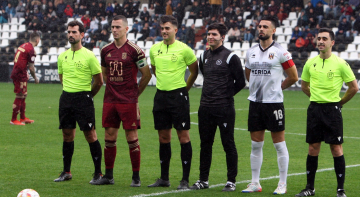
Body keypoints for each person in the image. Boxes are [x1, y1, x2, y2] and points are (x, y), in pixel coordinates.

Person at [295, 28, 358, 197]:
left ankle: (340, 190)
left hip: (332, 111)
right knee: (313, 148)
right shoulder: (310, 62)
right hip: (314, 109)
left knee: (336, 149)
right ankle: (310, 188)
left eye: (324, 39)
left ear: (332, 42)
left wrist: (339, 103)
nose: (321, 41)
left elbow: (354, 87)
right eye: (319, 38)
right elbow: (304, 86)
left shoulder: (340, 63)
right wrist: (316, 98)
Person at [91, 15, 151, 186]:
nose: (115, 30)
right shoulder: (105, 50)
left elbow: (146, 75)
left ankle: (136, 177)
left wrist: (135, 95)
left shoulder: (135, 50)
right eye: (113, 27)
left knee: (131, 137)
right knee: (109, 137)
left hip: (128, 101)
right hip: (110, 99)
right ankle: (108, 176)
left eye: (118, 27)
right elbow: (104, 72)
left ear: (126, 29)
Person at [242, 15, 298, 194]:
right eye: (259, 26)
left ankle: (282, 183)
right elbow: (248, 73)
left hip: (273, 104)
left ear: (273, 31)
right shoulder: (251, 51)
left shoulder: (282, 52)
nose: (261, 29)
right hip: (255, 104)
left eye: (265, 27)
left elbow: (293, 77)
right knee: (255, 144)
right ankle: (255, 182)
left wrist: (278, 88)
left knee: (279, 144)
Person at [189, 23, 246, 192]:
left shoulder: (231, 57)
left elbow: (241, 82)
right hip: (205, 107)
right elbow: (207, 77)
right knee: (205, 144)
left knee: (228, 143)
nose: (210, 37)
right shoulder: (203, 56)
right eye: (208, 34)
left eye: (214, 34)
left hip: (224, 108)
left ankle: (231, 181)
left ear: (222, 37)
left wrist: (226, 96)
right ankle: (203, 180)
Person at [148, 15, 199, 189]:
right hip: (160, 96)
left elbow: (194, 71)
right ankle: (164, 178)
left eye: (167, 28)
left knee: (183, 137)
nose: (164, 31)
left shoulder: (184, 49)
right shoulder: (154, 49)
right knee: (163, 138)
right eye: (162, 28)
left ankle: (184, 180)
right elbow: (154, 69)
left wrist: (185, 89)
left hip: (178, 97)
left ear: (175, 30)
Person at [54, 21, 104, 184]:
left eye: (74, 32)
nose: (71, 35)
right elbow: (62, 79)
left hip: (84, 99)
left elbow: (99, 81)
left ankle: (98, 173)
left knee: (90, 135)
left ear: (82, 35)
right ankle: (66, 172)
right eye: (69, 32)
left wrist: (88, 96)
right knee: (67, 135)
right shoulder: (62, 56)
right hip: (66, 98)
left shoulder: (89, 55)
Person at [10, 32, 40, 126]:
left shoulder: (23, 45)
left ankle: (22, 118)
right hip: (19, 74)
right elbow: (31, 67)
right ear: (37, 40)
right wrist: (35, 78)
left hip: (19, 72)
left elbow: (20, 60)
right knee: (19, 95)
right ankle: (13, 119)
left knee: (24, 95)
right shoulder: (31, 50)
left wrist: (25, 71)